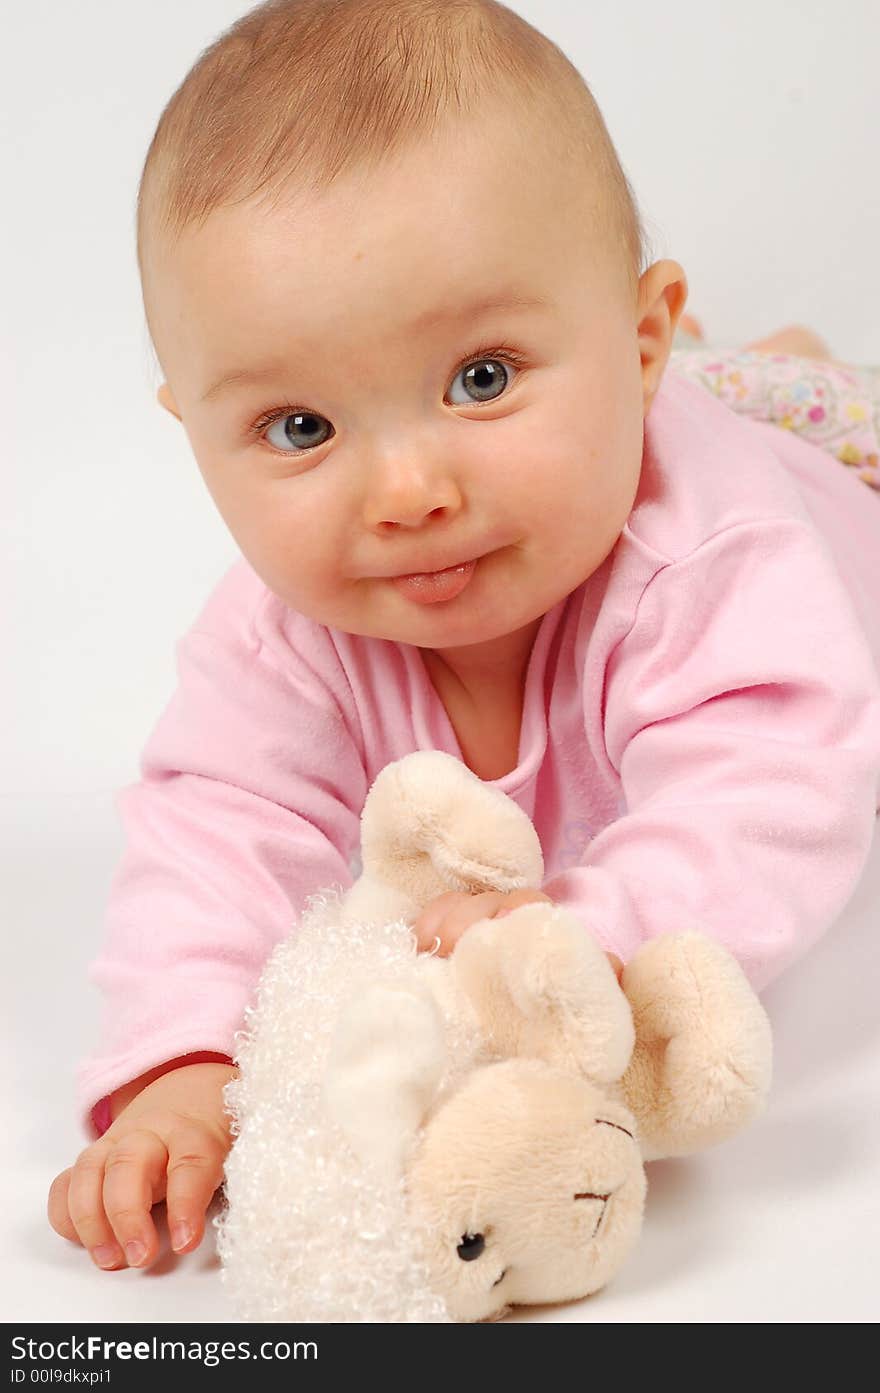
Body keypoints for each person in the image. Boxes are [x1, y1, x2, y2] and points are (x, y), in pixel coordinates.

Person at [47, 0, 880, 1278]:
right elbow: (217, 827)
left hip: (834, 494)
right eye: (299, 428)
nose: (405, 493)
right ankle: (725, 371)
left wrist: (592, 931)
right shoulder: (289, 632)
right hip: (654, 393)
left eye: (481, 378)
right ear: (192, 425)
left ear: (633, 333)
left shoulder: (712, 568)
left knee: (826, 433)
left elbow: (769, 787)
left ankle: (766, 387)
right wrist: (181, 1061)